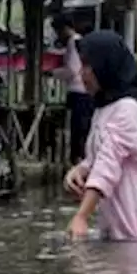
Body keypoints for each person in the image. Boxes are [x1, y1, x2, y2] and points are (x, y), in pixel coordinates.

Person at [62, 30, 137, 241]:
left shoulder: (127, 110)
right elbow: (97, 159)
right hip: (116, 226)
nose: (81, 74)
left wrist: (82, 216)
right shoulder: (103, 109)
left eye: (87, 66)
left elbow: (107, 165)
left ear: (105, 67)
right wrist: (80, 169)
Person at [50, 13, 94, 166]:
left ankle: (78, 161)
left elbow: (72, 70)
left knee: (78, 130)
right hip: (83, 91)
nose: (57, 35)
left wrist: (53, 73)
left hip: (78, 91)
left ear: (64, 29)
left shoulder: (73, 43)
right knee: (82, 129)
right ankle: (82, 159)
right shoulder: (81, 42)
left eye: (58, 31)